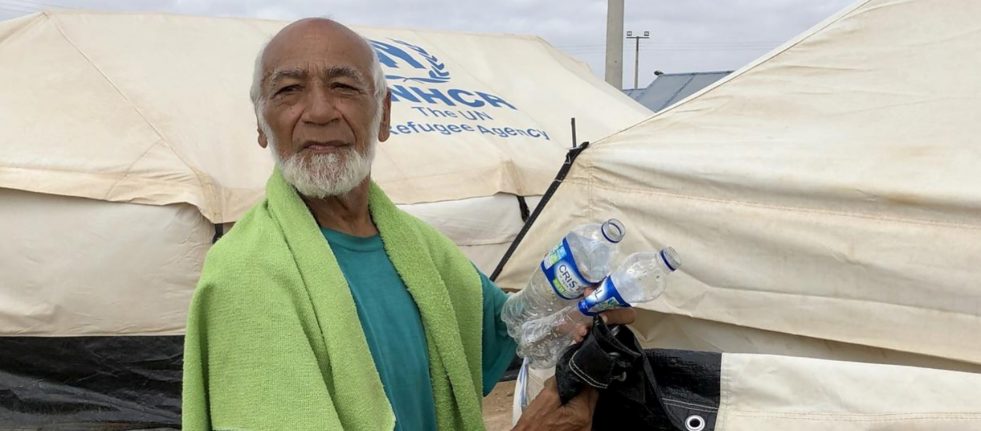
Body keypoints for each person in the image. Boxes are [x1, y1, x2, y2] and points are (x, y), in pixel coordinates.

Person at [181, 18, 633, 430]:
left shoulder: (417, 249)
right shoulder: (246, 276)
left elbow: (507, 329)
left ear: (385, 115)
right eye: (288, 91)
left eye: (343, 86)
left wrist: (575, 310)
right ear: (261, 123)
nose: (319, 112)